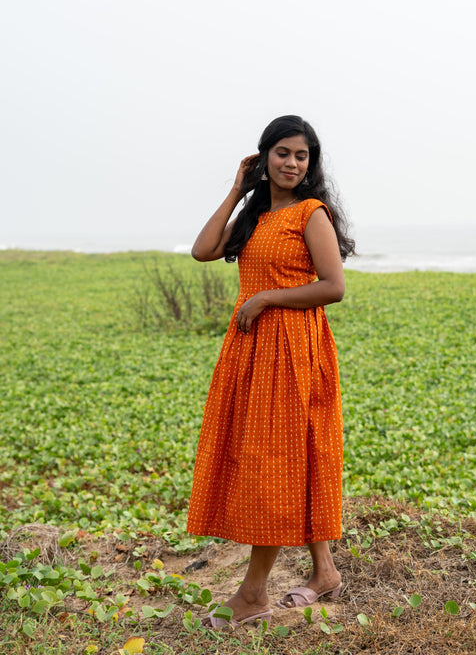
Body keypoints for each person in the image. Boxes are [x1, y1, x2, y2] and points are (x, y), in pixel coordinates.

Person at [186, 115, 355, 627]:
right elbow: (203, 250)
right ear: (265, 157)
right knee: (289, 456)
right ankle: (324, 572)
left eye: (302, 156)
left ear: (311, 165)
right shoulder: (257, 215)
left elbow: (333, 286)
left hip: (294, 351)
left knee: (274, 464)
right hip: (252, 353)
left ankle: (254, 592)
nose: (292, 163)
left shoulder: (311, 213)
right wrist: (238, 190)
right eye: (283, 153)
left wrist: (266, 298)